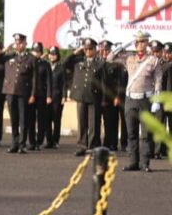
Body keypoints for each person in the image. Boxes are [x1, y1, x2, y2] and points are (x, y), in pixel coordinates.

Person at [106, 31, 164, 172]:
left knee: (145, 135)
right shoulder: (128, 58)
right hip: (130, 99)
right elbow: (109, 58)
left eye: (143, 41)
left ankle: (145, 163)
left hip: (145, 100)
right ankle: (133, 162)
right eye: (137, 42)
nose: (140, 44)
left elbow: (158, 81)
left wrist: (156, 99)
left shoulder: (153, 60)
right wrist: (124, 45)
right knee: (131, 133)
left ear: (147, 43)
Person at [63, 38, 106, 156]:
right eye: (86, 49)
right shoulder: (78, 61)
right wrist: (76, 51)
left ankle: (93, 146)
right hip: (81, 96)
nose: (88, 51)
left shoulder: (99, 63)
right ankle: (82, 146)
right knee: (82, 123)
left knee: (94, 124)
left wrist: (103, 99)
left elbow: (103, 82)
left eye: (90, 49)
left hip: (94, 97)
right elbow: (65, 63)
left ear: (95, 49)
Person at [0, 33, 36, 154]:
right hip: (10, 91)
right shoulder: (9, 56)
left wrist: (33, 94)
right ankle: (14, 142)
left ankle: (22, 144)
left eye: (20, 43)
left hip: (23, 92)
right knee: (13, 119)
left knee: (23, 119)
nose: (18, 45)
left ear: (25, 44)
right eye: (16, 43)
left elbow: (34, 78)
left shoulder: (30, 58)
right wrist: (5, 50)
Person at [98, 40, 123, 152]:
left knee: (111, 121)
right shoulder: (97, 63)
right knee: (100, 122)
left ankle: (112, 143)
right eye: (102, 50)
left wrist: (118, 96)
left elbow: (119, 82)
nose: (104, 52)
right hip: (98, 97)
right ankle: (102, 143)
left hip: (111, 98)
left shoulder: (116, 64)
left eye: (107, 50)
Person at [28, 42, 52, 151]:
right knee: (30, 118)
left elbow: (49, 81)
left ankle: (39, 141)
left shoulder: (45, 64)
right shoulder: (28, 63)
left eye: (38, 51)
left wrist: (49, 95)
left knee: (41, 119)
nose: (36, 53)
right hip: (30, 95)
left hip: (42, 95)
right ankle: (31, 142)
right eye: (34, 51)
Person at [45, 46, 65, 149]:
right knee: (47, 119)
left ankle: (55, 140)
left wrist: (64, 96)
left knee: (56, 119)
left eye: (54, 54)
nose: (52, 56)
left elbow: (64, 83)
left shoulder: (61, 67)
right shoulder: (46, 66)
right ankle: (48, 141)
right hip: (47, 96)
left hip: (57, 96)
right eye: (50, 54)